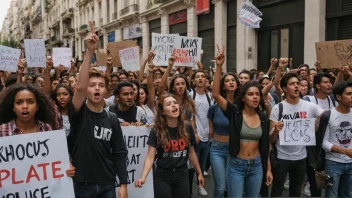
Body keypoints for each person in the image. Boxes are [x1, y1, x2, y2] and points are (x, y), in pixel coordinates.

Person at [67, 22, 128, 198]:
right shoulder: (78, 112)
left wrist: (123, 183)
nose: (96, 88)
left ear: (106, 90)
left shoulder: (112, 119)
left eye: (101, 85)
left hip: (107, 184)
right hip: (82, 185)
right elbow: (79, 88)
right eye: (92, 85)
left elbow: (119, 152)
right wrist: (90, 52)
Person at [212, 45, 272, 198]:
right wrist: (219, 67)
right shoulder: (235, 113)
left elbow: (265, 145)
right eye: (251, 94)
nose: (255, 97)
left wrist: (268, 168)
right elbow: (216, 94)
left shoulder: (263, 117)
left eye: (257, 94)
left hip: (257, 166)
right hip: (237, 166)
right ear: (243, 97)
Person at [134, 93, 204, 198]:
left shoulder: (187, 127)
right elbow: (150, 156)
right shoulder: (156, 130)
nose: (173, 105)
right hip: (163, 176)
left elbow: (191, 152)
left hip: (182, 174)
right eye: (169, 104)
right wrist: (143, 177)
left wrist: (199, 173)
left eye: (175, 103)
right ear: (162, 111)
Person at [0, 83, 75, 176]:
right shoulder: (2, 130)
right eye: (19, 102)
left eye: (30, 102)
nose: (25, 106)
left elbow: (56, 159)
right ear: (13, 107)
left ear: (38, 106)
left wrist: (67, 167)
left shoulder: (47, 129)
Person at [269, 72, 324, 197]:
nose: (296, 86)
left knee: (296, 192)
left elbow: (327, 117)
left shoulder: (310, 107)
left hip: (301, 158)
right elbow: (271, 139)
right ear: (284, 88)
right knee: (277, 191)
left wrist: (317, 124)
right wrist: (276, 130)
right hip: (281, 158)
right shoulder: (278, 108)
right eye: (292, 84)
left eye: (297, 83)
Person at [208, 72, 239, 197]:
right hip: (217, 149)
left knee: (232, 187)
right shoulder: (214, 108)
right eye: (227, 80)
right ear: (223, 85)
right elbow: (211, 130)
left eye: (233, 80)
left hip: (236, 149)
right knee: (221, 187)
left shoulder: (242, 106)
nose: (231, 82)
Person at [322, 81, 352, 198]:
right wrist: (345, 151)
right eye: (349, 94)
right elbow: (323, 142)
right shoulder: (329, 115)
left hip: (351, 164)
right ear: (339, 97)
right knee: (331, 195)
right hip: (333, 163)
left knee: (347, 195)